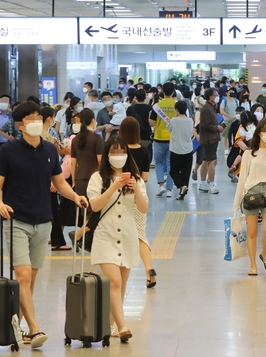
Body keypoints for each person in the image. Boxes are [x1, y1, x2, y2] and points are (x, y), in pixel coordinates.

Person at [0, 100, 88, 348]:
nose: (37, 123)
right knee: (22, 275)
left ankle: (17, 327)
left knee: (30, 278)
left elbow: (59, 181)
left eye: (39, 118)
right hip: (16, 220)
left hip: (43, 220)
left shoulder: (48, 150)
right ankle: (34, 329)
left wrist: (75, 195)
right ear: (20, 124)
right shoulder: (8, 151)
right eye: (31, 119)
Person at [88, 136, 148, 342]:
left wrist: (136, 187)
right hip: (106, 235)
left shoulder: (137, 179)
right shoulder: (97, 178)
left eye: (122, 152)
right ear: (106, 155)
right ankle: (123, 327)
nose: (118, 156)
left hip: (128, 235)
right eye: (113, 152)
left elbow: (143, 208)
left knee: (121, 284)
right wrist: (114, 186)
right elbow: (95, 205)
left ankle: (111, 324)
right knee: (113, 281)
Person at [233, 120, 266, 276]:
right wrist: (237, 202)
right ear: (258, 133)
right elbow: (243, 178)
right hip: (251, 191)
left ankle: (265, 253)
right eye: (264, 131)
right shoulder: (249, 153)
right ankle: (253, 264)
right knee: (252, 232)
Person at [118, 117, 155, 288]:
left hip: (119, 191)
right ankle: (149, 269)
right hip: (139, 190)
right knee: (140, 234)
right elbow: (146, 177)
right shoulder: (144, 151)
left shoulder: (118, 151)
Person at [40, 107, 71, 251]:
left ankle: (55, 239)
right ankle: (57, 241)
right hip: (49, 176)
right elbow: (50, 160)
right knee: (53, 209)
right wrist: (53, 179)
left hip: (47, 175)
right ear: (49, 118)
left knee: (53, 208)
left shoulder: (46, 134)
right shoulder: (46, 135)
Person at [149, 82, 176, 198]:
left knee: (159, 163)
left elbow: (152, 122)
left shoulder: (156, 106)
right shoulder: (177, 105)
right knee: (171, 165)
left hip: (159, 138)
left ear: (162, 92)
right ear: (174, 92)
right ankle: (169, 189)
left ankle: (161, 186)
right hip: (172, 138)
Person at [71, 108, 103, 199]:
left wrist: (74, 180)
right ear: (93, 120)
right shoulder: (97, 138)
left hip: (79, 177)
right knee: (93, 207)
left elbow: (73, 162)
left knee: (81, 207)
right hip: (94, 177)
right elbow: (100, 160)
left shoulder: (75, 139)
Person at [198, 88, 224, 194]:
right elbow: (206, 125)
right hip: (209, 139)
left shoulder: (211, 107)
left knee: (205, 161)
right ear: (210, 97)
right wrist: (217, 128)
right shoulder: (206, 109)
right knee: (212, 161)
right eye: (215, 95)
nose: (217, 96)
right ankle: (212, 185)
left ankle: (203, 184)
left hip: (210, 138)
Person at [167, 101, 194, 200]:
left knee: (173, 171)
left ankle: (182, 187)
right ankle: (182, 193)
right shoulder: (190, 120)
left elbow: (169, 129)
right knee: (185, 173)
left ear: (177, 110)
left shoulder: (174, 120)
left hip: (176, 150)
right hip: (188, 150)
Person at [220, 87, 239, 154]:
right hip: (227, 121)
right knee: (225, 135)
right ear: (226, 93)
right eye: (229, 92)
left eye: (232, 91)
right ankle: (226, 149)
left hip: (235, 121)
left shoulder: (236, 101)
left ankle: (233, 147)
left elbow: (238, 109)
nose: (231, 93)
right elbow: (221, 111)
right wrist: (229, 116)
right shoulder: (224, 101)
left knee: (234, 135)